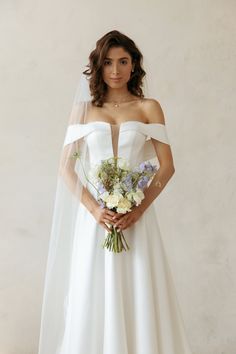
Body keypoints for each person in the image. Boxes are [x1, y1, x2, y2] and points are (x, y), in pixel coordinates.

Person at [38, 30, 194, 354]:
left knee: (138, 292)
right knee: (92, 294)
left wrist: (138, 210)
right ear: (98, 65)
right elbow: (66, 169)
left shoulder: (149, 107)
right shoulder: (84, 109)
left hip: (136, 223)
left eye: (123, 61)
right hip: (95, 224)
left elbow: (167, 167)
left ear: (134, 65)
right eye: (108, 62)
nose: (115, 70)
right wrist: (95, 210)